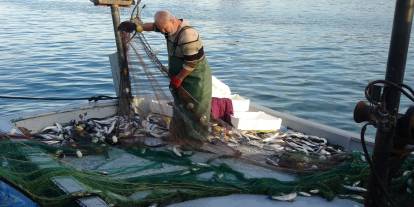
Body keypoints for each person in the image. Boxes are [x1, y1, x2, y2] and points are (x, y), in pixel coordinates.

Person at [119, 11, 212, 145]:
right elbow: (153, 27)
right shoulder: (168, 27)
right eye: (161, 28)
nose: (163, 31)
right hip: (179, 74)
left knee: (195, 108)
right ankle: (178, 135)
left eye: (164, 28)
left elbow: (191, 62)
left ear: (173, 21)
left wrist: (179, 78)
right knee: (179, 104)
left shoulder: (188, 34)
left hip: (195, 78)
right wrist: (137, 27)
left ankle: (197, 140)